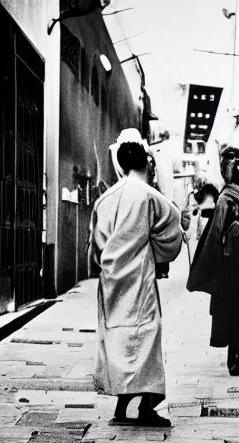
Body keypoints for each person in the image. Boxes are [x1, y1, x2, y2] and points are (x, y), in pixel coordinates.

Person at [88, 128, 182, 426]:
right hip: (140, 281)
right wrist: (154, 249)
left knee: (117, 339)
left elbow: (97, 247)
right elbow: (171, 238)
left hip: (112, 283)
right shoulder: (153, 198)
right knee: (145, 340)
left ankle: (120, 408)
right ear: (146, 163)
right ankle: (145, 408)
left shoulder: (105, 200)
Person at [187, 146, 239, 375]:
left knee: (232, 312)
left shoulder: (225, 198)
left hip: (230, 269)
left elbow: (214, 238)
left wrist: (209, 271)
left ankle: (235, 355)